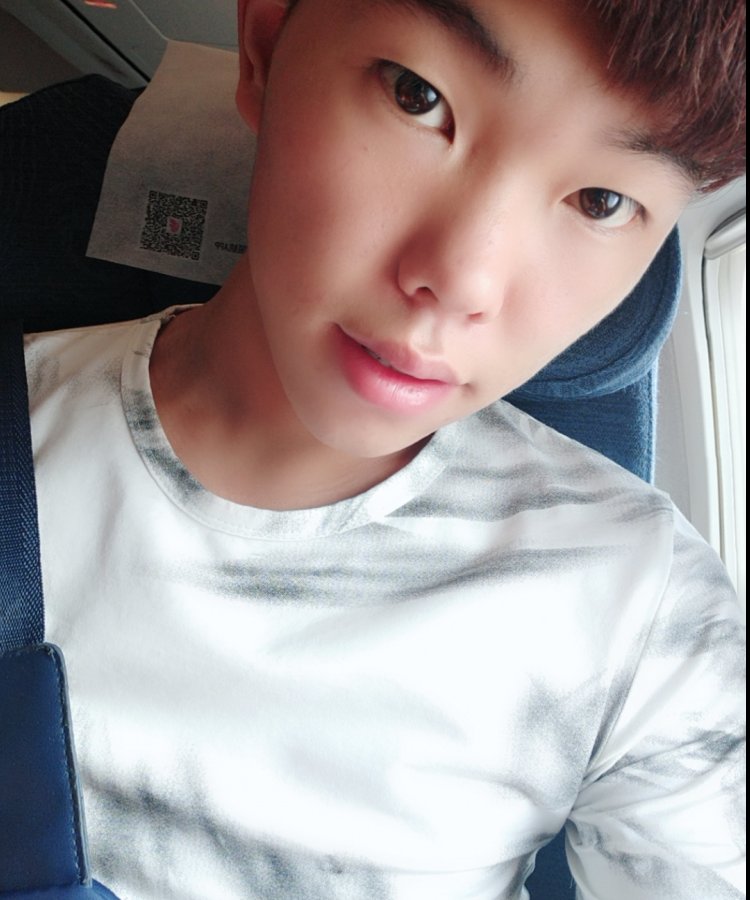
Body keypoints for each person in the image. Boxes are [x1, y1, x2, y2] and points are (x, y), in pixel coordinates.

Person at [20, 0, 745, 897]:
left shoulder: (644, 608)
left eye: (602, 201)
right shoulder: (28, 436)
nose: (461, 279)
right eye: (417, 97)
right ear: (264, 47)